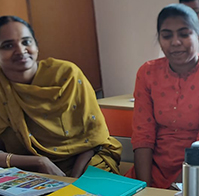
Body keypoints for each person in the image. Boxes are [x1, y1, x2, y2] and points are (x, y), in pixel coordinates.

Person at [0, 16, 121, 177]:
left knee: (92, 190)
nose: (21, 50)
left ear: (36, 45)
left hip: (86, 160)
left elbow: (93, 137)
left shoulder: (66, 75)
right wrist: (39, 162)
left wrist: (72, 180)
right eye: (8, 45)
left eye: (26, 42)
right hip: (25, 169)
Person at [129, 4, 199, 188]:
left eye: (184, 34)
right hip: (155, 166)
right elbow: (143, 134)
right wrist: (145, 187)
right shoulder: (147, 73)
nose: (175, 42)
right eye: (167, 36)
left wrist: (175, 190)